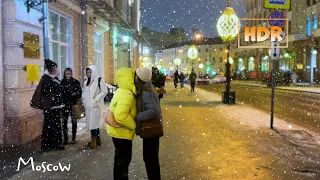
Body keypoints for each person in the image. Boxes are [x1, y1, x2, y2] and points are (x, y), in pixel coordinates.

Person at [106, 68, 137, 180]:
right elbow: (120, 115)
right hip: (122, 132)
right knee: (123, 160)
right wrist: (134, 126)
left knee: (119, 159)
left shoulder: (121, 90)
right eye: (133, 77)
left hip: (117, 132)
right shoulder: (127, 94)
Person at [30, 59, 65, 151]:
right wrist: (41, 104)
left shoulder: (55, 78)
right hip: (49, 107)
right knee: (48, 126)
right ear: (49, 69)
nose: (55, 70)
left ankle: (57, 144)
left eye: (55, 68)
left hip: (57, 107)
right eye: (53, 68)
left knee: (57, 126)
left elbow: (59, 91)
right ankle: (46, 145)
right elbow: (40, 92)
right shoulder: (45, 78)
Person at [135, 67, 162, 180]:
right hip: (151, 130)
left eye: (136, 75)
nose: (134, 77)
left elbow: (154, 110)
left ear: (140, 78)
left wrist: (138, 116)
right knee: (151, 159)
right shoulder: (146, 89)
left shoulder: (146, 92)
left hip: (151, 130)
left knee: (150, 159)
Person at [82, 65, 108, 149]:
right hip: (88, 106)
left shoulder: (99, 80)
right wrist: (84, 99)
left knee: (94, 124)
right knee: (92, 124)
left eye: (90, 72)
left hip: (96, 106)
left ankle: (94, 142)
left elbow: (104, 91)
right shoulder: (86, 82)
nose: (89, 74)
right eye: (87, 72)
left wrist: (95, 99)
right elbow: (84, 92)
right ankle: (97, 140)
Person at [61, 68, 82, 145]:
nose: (68, 75)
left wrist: (74, 94)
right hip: (65, 105)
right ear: (65, 74)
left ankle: (73, 138)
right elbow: (61, 94)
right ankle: (66, 139)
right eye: (67, 74)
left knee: (74, 121)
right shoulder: (62, 82)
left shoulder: (76, 82)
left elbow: (79, 93)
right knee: (64, 122)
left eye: (70, 73)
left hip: (74, 104)